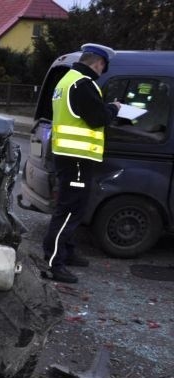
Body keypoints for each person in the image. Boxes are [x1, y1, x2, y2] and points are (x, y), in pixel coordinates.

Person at [42, 43, 121, 283]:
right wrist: (114, 108)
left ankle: (67, 251)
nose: (102, 71)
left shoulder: (67, 80)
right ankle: (54, 262)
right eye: (102, 66)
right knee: (68, 211)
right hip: (75, 158)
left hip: (70, 157)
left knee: (74, 208)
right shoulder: (82, 84)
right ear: (97, 62)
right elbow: (97, 118)